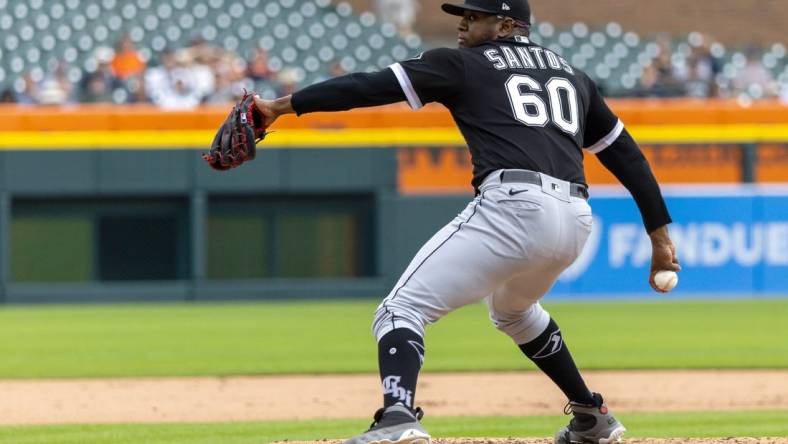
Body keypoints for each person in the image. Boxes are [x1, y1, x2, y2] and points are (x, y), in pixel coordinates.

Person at [253, 1, 680, 443]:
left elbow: (368, 87)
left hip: (515, 204)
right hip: (575, 218)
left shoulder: (464, 64)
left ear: (508, 25)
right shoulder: (571, 76)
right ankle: (592, 415)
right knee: (513, 312)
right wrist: (659, 236)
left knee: (400, 309)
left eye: (475, 16)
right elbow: (626, 156)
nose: (462, 23)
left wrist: (281, 107)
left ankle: (398, 416)